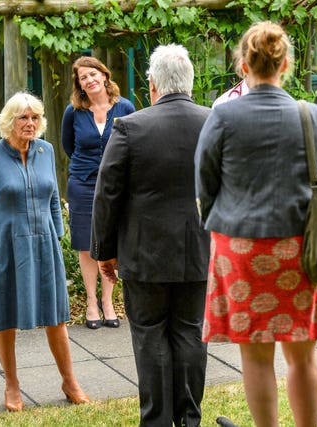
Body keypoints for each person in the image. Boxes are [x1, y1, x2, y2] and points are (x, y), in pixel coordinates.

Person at [195, 21, 317, 427]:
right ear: (286, 65)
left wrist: (224, 221)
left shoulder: (222, 118)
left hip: (239, 249)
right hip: (298, 249)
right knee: (302, 354)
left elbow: (204, 187)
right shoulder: (316, 117)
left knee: (255, 355)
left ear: (243, 65)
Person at [91, 44, 211, 426]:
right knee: (191, 333)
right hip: (198, 249)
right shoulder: (214, 122)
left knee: (150, 336)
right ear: (189, 81)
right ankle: (189, 419)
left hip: (145, 253)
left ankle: (157, 420)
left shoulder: (130, 126)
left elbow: (107, 193)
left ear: (152, 83)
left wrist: (104, 252)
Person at [0, 92, 90, 412]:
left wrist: (57, 236)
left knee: (56, 317)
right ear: (10, 121)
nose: (30, 123)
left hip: (44, 245)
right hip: (5, 246)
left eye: (35, 117)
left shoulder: (46, 150)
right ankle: (12, 386)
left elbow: (53, 199)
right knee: (4, 318)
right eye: (23, 117)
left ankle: (70, 381)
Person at [61, 56, 135, 330]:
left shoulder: (125, 107)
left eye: (93, 74)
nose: (89, 80)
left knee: (110, 240)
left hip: (116, 185)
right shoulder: (74, 111)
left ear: (104, 75)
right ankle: (91, 302)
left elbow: (133, 142)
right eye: (83, 78)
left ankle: (108, 301)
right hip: (83, 183)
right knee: (84, 244)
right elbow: (68, 146)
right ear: (79, 84)